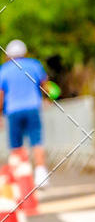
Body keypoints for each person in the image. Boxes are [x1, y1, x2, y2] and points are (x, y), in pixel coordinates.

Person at [0, 39, 51, 188]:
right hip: (32, 108)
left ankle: (19, 179)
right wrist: (47, 99)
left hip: (13, 111)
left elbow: (1, 95)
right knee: (37, 141)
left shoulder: (4, 70)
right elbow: (45, 85)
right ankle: (41, 175)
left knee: (16, 146)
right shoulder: (35, 65)